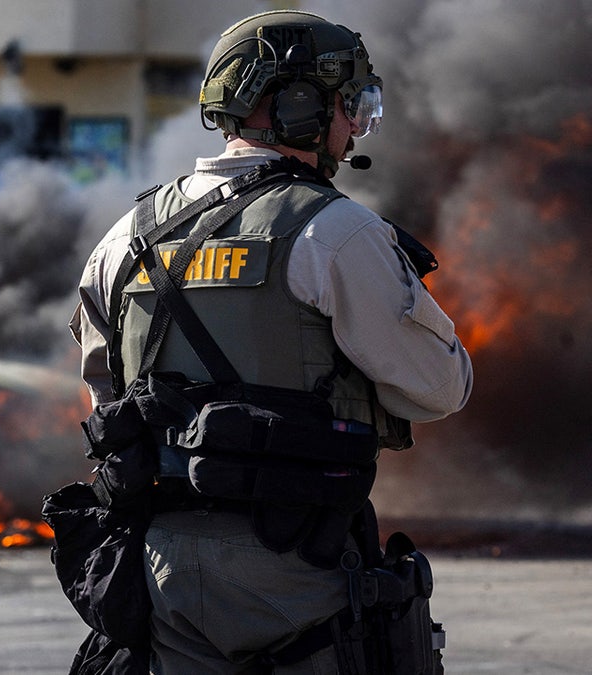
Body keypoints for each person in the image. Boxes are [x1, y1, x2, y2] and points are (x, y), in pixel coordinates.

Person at [69, 10, 474, 673]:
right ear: (297, 104)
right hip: (296, 565)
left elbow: (108, 397)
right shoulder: (335, 231)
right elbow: (441, 386)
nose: (353, 126)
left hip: (160, 565)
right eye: (350, 103)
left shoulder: (124, 239)